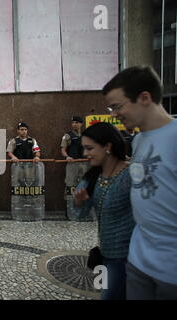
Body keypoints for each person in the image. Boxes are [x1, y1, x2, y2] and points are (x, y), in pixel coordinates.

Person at [103, 65, 177, 299]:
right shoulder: (138, 141)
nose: (114, 114)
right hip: (139, 263)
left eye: (117, 106)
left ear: (145, 98)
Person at [72, 122, 135, 300]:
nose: (85, 154)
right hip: (105, 255)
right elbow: (80, 215)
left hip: (131, 258)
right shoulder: (91, 178)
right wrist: (79, 203)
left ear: (107, 146)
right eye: (84, 148)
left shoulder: (132, 175)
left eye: (90, 148)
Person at [7, 122, 41, 186]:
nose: (24, 131)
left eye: (25, 130)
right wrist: (13, 157)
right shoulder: (13, 141)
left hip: (29, 166)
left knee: (30, 182)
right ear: (18, 131)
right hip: (17, 165)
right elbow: (9, 152)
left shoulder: (32, 140)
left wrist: (37, 156)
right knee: (18, 182)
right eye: (22, 129)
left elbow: (37, 151)